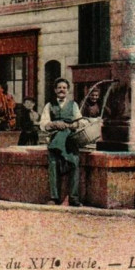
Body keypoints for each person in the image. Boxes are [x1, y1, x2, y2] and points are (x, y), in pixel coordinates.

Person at [40, 78, 83, 207]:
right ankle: (54, 198)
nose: (61, 90)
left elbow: (80, 122)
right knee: (53, 164)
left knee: (74, 164)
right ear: (55, 90)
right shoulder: (49, 105)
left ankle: (74, 198)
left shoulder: (73, 105)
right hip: (55, 140)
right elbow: (43, 124)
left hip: (70, 140)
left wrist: (72, 125)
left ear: (68, 90)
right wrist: (53, 124)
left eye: (64, 88)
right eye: (59, 88)